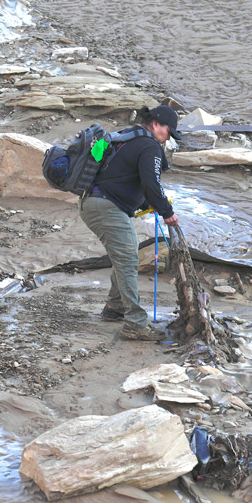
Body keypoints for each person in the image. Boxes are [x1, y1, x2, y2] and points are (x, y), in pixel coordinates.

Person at [79, 105, 180, 341]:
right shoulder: (149, 146)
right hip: (107, 206)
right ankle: (135, 323)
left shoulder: (124, 136)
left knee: (123, 254)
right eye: (168, 131)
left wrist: (149, 203)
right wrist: (167, 211)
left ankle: (114, 307)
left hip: (91, 203)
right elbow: (151, 183)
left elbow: (122, 176)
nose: (168, 138)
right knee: (127, 259)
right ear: (156, 124)